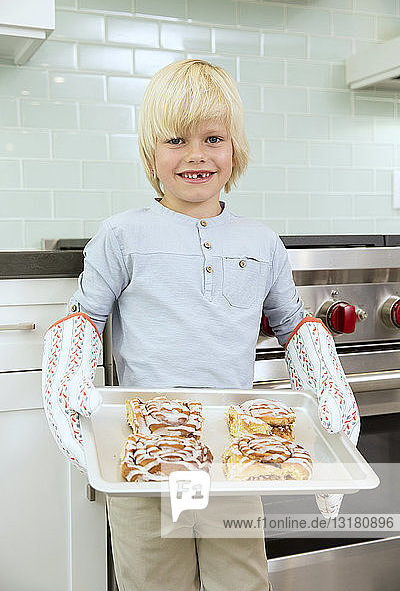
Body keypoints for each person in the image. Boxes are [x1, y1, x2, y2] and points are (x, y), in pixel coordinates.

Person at [42, 59, 360, 591]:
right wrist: (68, 390)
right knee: (152, 578)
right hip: (143, 452)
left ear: (235, 150)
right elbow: (85, 318)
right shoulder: (120, 237)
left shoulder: (262, 244)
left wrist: (331, 397)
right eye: (175, 140)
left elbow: (294, 326)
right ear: (151, 155)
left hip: (236, 451)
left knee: (241, 579)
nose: (196, 155)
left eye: (213, 138)